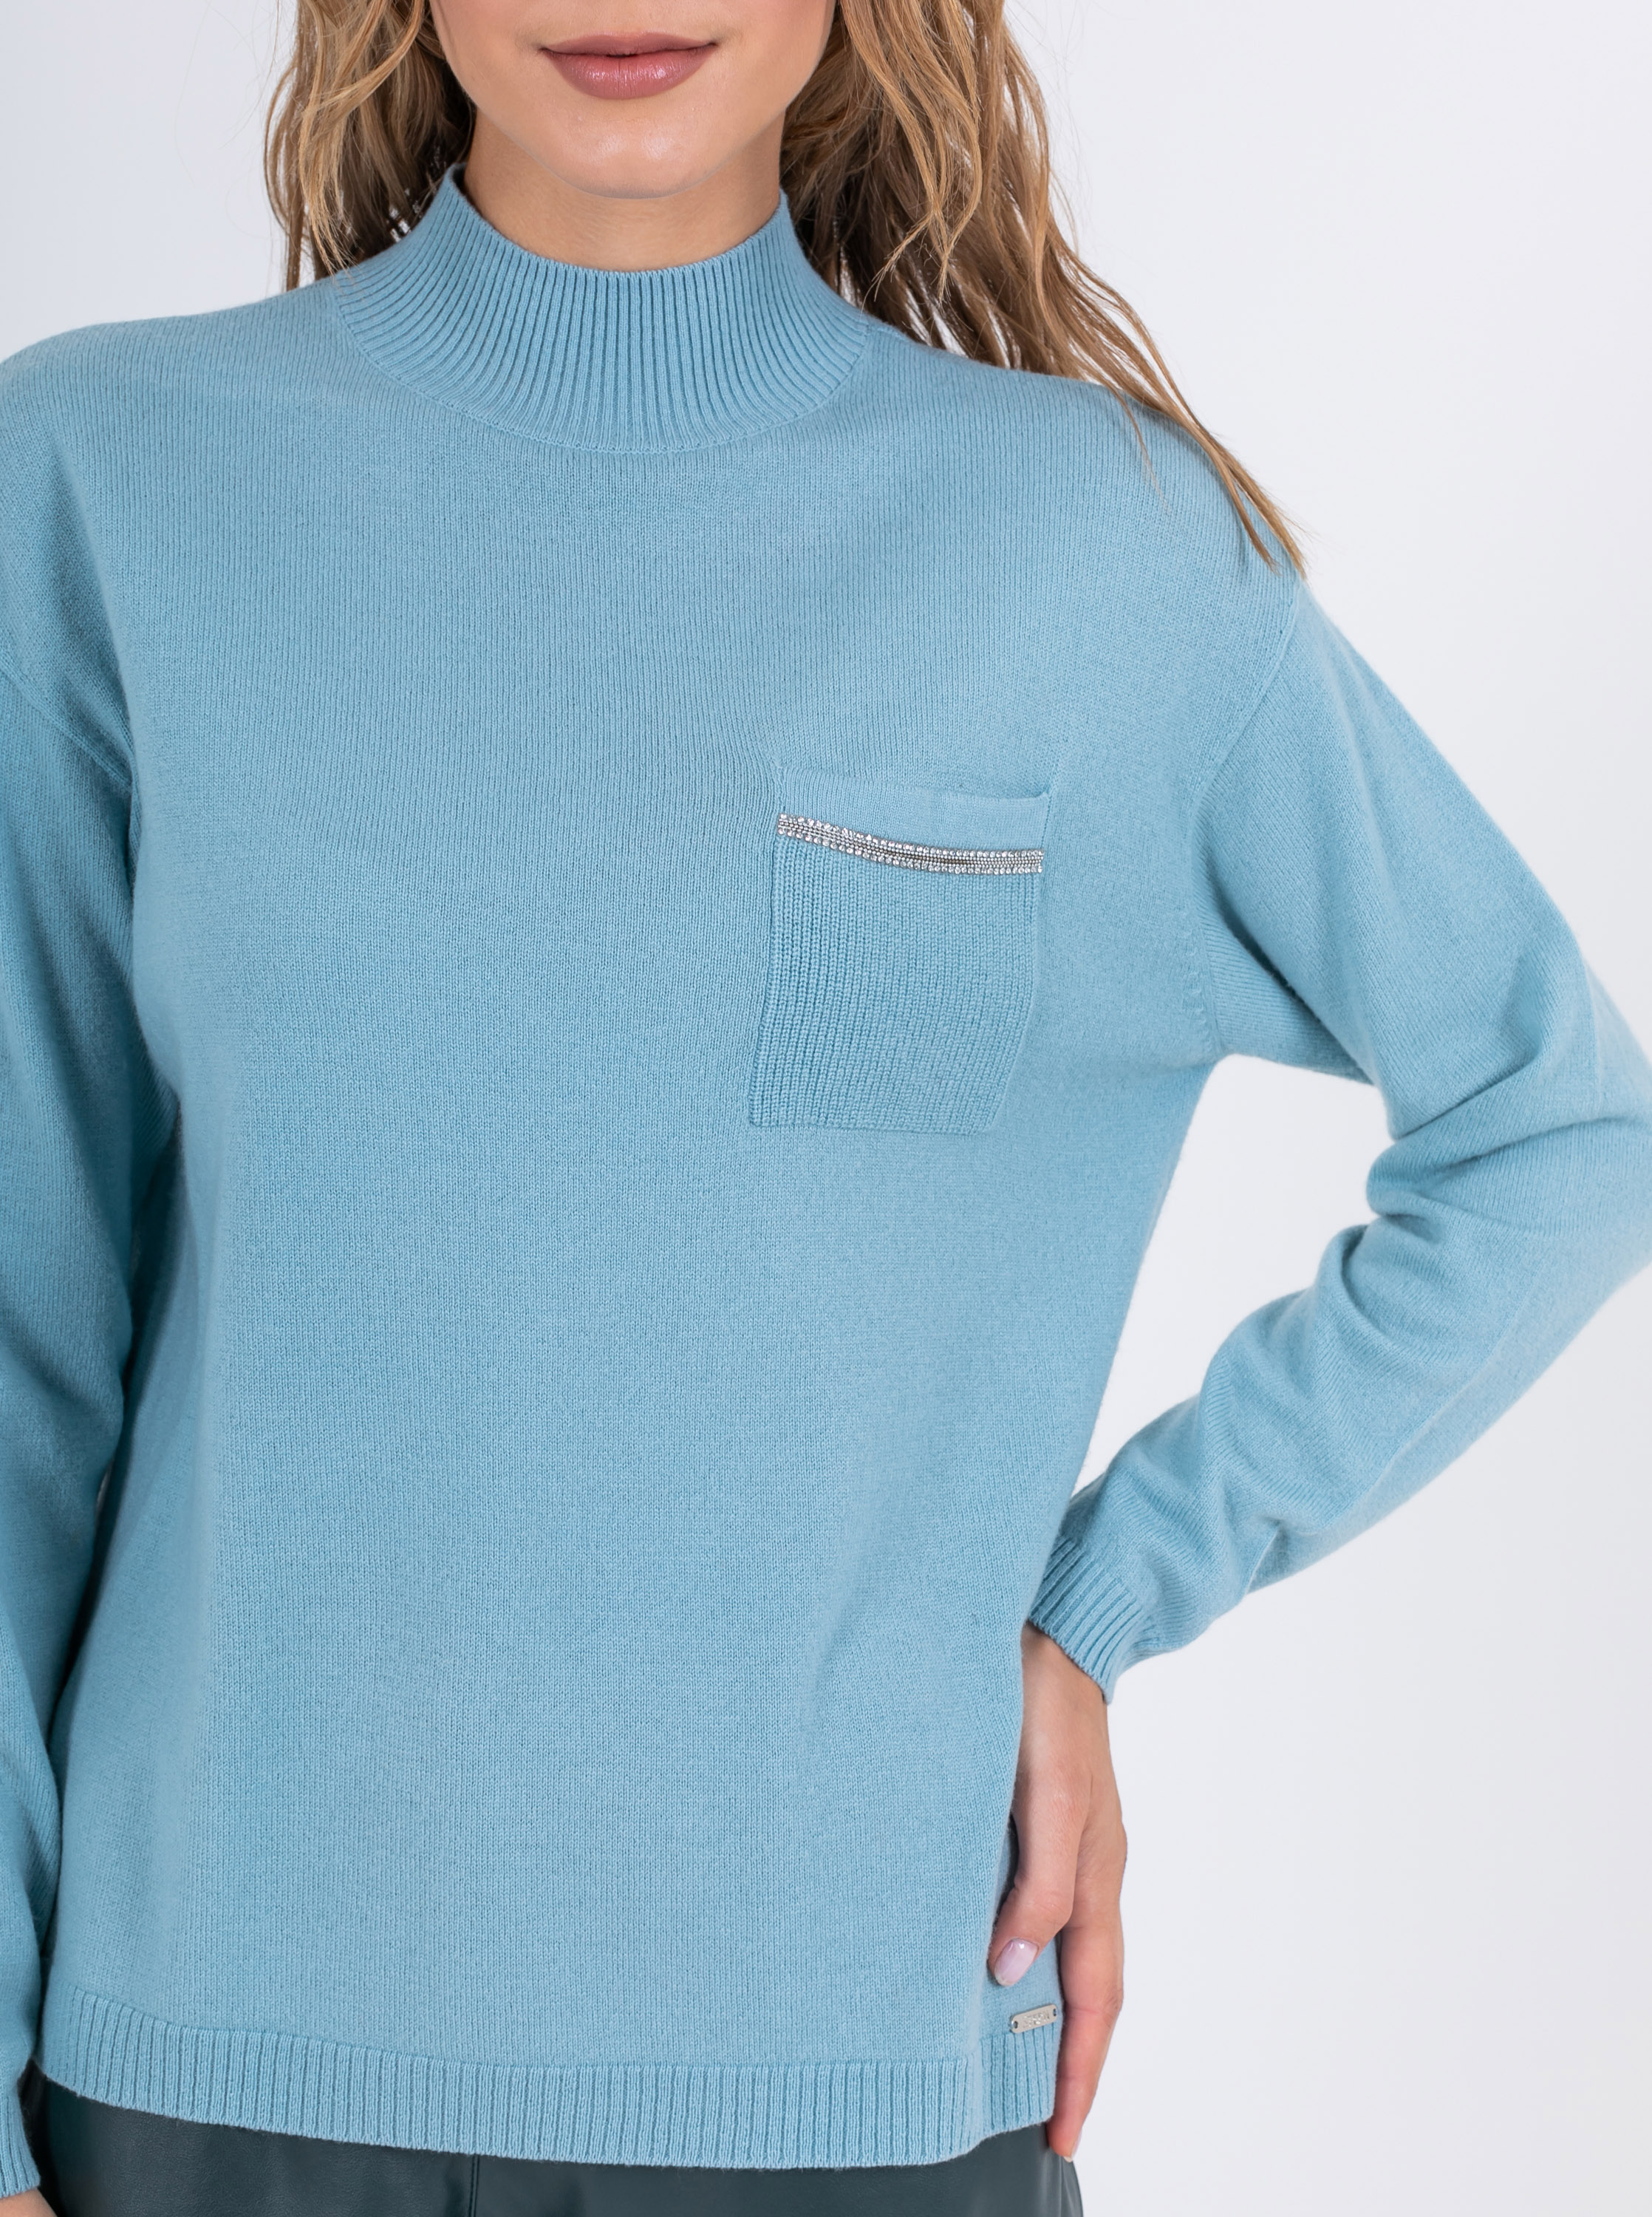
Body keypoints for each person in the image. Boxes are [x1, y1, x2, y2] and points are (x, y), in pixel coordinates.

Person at [3, 2, 1650, 2212]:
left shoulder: (1098, 554)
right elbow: (15, 1337)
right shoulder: (109, 480)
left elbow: (1556, 1130)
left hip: (853, 2083)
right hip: (203, 2074)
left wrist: (1098, 1600)